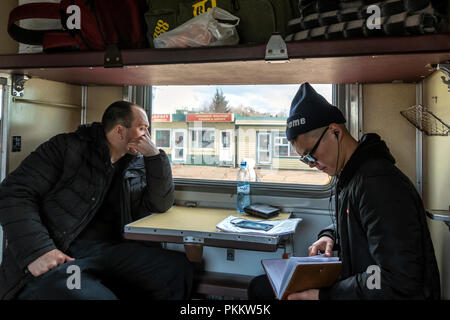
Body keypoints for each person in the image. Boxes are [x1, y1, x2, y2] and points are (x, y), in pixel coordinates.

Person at [248, 83, 440, 300]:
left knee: (264, 292)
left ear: (335, 132)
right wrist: (330, 236)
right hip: (365, 286)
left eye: (311, 154)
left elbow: (397, 279)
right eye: (305, 160)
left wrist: (323, 297)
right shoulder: (353, 176)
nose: (312, 164)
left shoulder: (378, 184)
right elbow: (361, 224)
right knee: (262, 287)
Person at [0, 101, 194, 300]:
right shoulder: (67, 148)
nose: (147, 136)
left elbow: (160, 204)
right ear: (120, 131)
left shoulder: (135, 163)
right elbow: (13, 193)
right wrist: (38, 251)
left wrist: (154, 157)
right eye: (142, 128)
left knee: (175, 269)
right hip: (65, 252)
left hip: (109, 251)